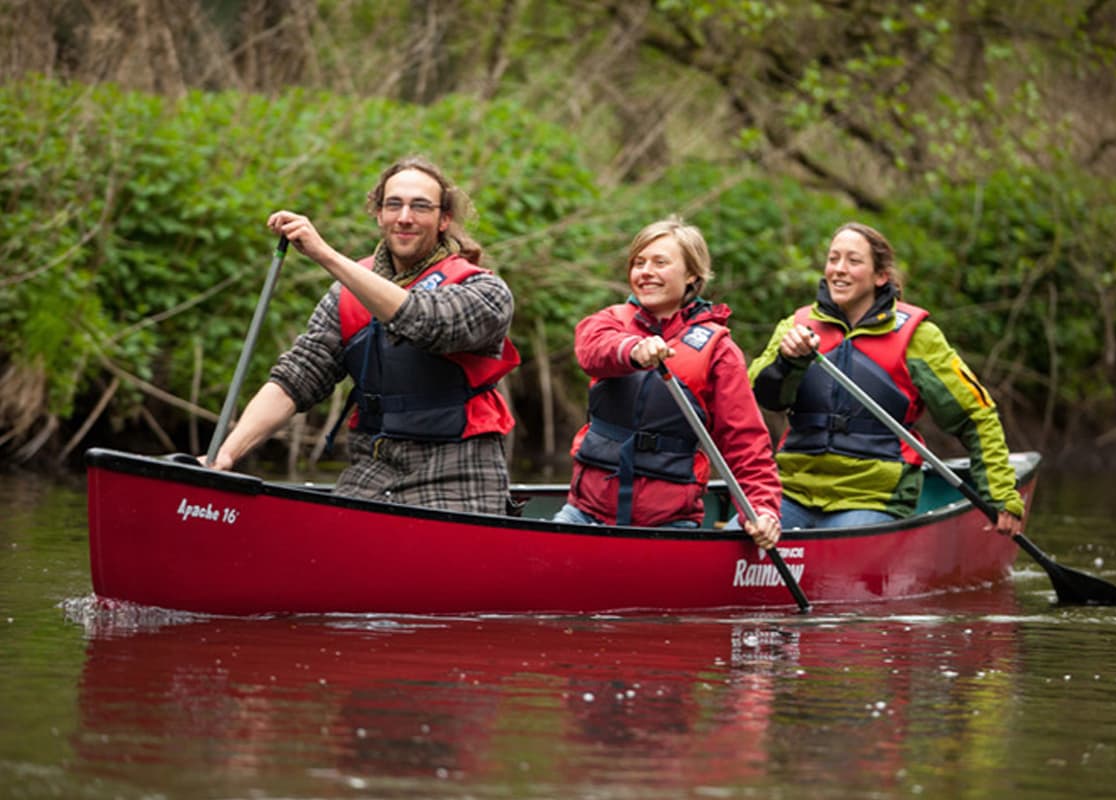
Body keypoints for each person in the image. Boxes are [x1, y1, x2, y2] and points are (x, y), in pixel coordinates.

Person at [205, 155, 520, 515]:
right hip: (374, 466)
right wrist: (226, 454)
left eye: (420, 207)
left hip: (458, 469)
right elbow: (297, 378)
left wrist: (326, 256)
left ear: (444, 219)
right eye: (394, 205)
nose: (404, 217)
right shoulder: (345, 294)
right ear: (379, 214)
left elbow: (424, 321)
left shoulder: (484, 291)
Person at [748, 221, 1025, 533]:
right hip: (791, 492)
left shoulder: (919, 337)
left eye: (853, 261)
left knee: (847, 545)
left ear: (880, 276)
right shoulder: (796, 326)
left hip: (873, 498)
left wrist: (1001, 496)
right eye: (833, 259)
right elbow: (760, 394)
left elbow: (976, 416)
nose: (839, 269)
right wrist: (787, 361)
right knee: (741, 533)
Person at [552, 216, 782, 550]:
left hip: (668, 522)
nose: (645, 272)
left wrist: (762, 508)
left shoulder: (718, 350)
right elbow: (592, 351)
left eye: (660, 263)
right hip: (586, 513)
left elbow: (744, 443)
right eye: (639, 263)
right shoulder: (610, 322)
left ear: (692, 275)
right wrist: (633, 349)